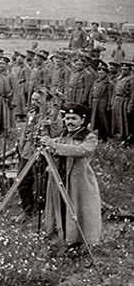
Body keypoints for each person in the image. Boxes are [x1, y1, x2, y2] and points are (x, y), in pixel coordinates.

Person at [39, 103, 102, 249]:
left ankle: (78, 242)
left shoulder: (89, 137)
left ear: (82, 120)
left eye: (74, 118)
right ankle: (60, 237)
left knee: (78, 210)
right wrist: (47, 147)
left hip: (79, 182)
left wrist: (54, 146)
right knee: (60, 207)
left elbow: (79, 151)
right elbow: (56, 146)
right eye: (67, 118)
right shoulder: (64, 135)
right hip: (60, 178)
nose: (69, 122)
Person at [14, 88, 63, 223]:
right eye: (33, 99)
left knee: (42, 183)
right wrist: (21, 145)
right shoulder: (31, 113)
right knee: (22, 180)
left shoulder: (54, 118)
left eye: (38, 100)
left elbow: (56, 138)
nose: (35, 103)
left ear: (47, 102)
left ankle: (43, 211)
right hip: (27, 152)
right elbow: (25, 132)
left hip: (43, 154)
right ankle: (27, 209)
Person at [89, 63, 113, 142]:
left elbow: (110, 95)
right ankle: (98, 135)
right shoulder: (96, 82)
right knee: (96, 119)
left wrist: (109, 105)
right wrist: (90, 102)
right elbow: (91, 93)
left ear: (106, 73)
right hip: (95, 102)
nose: (100, 75)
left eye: (102, 73)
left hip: (103, 103)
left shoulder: (109, 83)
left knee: (103, 120)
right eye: (99, 73)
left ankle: (105, 136)